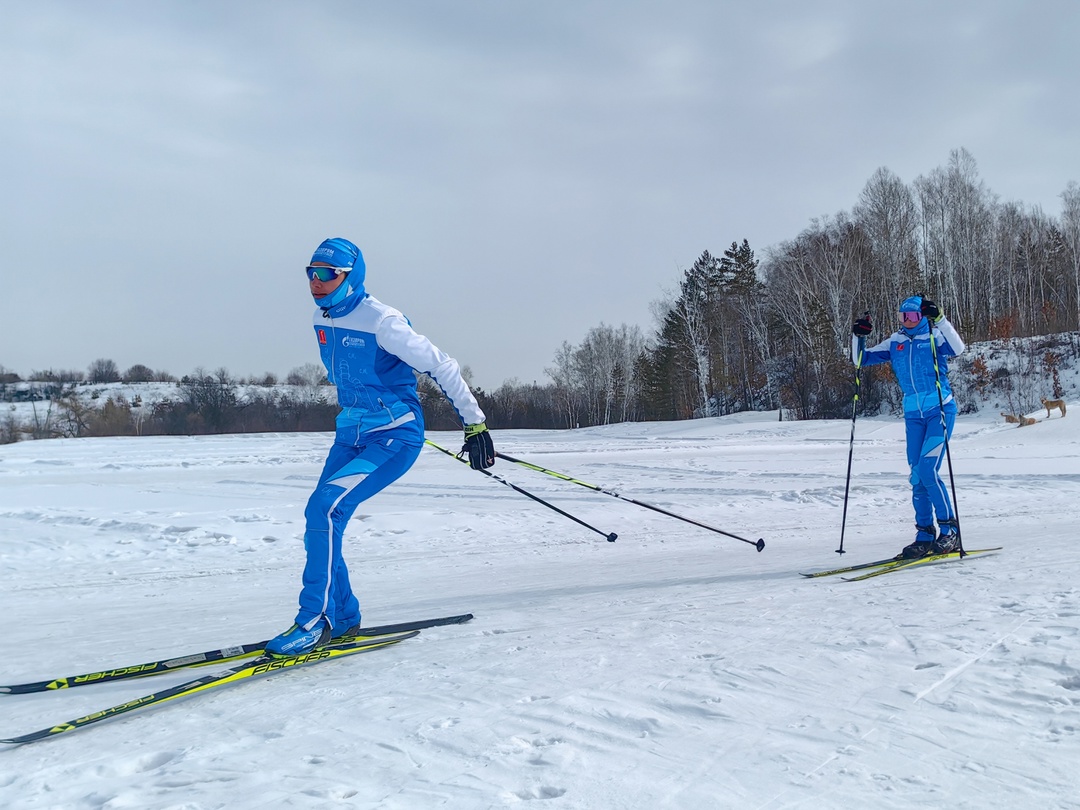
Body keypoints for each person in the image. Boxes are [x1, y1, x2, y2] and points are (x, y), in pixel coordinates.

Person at [265, 237, 495, 657]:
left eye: (326, 275)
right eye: (310, 273)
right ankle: (344, 615)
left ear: (350, 277)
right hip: (350, 435)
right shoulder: (324, 318)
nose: (316, 283)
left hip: (393, 437)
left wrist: (474, 425)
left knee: (325, 509)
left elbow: (441, 364)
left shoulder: (382, 321)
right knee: (322, 514)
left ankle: (313, 622)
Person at [852, 295, 966, 559]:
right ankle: (924, 534)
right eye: (903, 317)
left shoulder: (935, 337)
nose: (907, 322)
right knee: (916, 474)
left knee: (928, 469)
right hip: (913, 414)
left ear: (922, 317)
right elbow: (859, 360)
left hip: (939, 410)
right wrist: (859, 336)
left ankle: (950, 531)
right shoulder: (896, 341)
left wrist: (940, 319)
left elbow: (958, 348)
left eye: (913, 317)